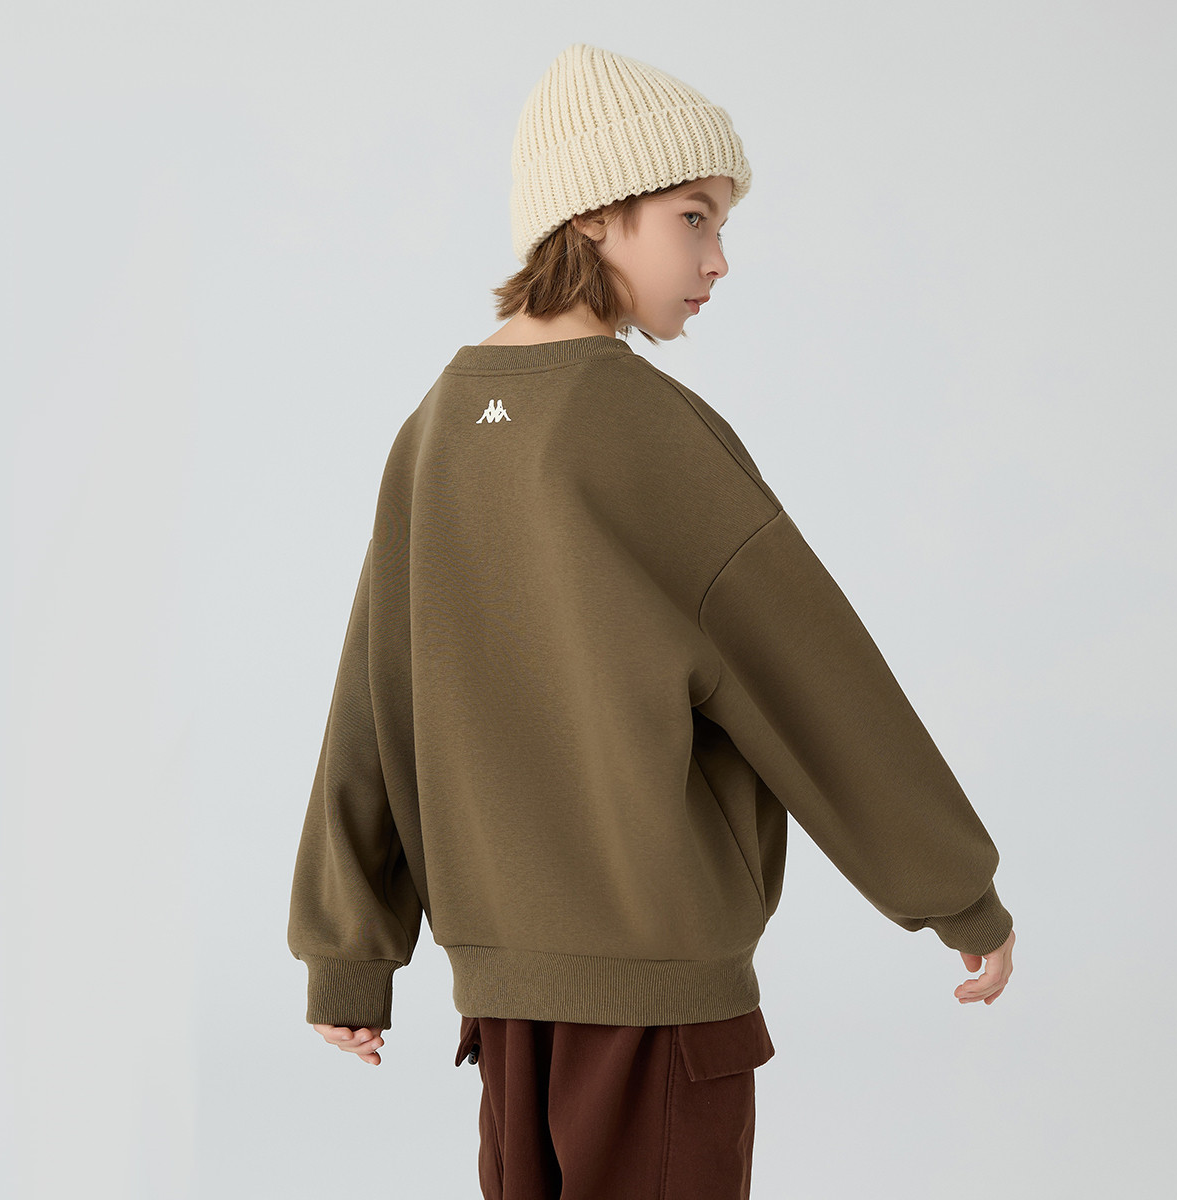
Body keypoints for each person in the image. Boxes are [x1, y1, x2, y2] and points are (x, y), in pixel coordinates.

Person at [287, 42, 1016, 1200]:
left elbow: (373, 705)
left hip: (507, 1014)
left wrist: (349, 951)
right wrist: (953, 890)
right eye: (694, 218)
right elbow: (812, 680)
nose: (719, 259)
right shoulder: (647, 430)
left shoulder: (433, 428)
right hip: (661, 1008)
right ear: (593, 214)